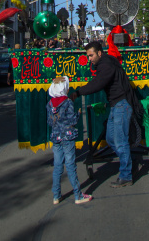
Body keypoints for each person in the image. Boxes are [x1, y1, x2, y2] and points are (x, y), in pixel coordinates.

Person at [71, 40, 135, 188]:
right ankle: (127, 160)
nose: (89, 59)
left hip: (121, 105)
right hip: (115, 105)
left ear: (99, 53)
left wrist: (79, 92)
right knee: (111, 139)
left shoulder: (106, 65)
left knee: (120, 141)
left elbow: (98, 83)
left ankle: (126, 175)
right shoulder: (106, 62)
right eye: (88, 56)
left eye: (91, 55)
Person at [47, 76, 93, 205]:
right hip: (67, 137)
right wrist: (78, 114)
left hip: (56, 137)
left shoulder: (50, 104)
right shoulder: (67, 103)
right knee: (70, 165)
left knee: (57, 166)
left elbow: (50, 121)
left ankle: (56, 195)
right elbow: (72, 121)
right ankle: (78, 195)